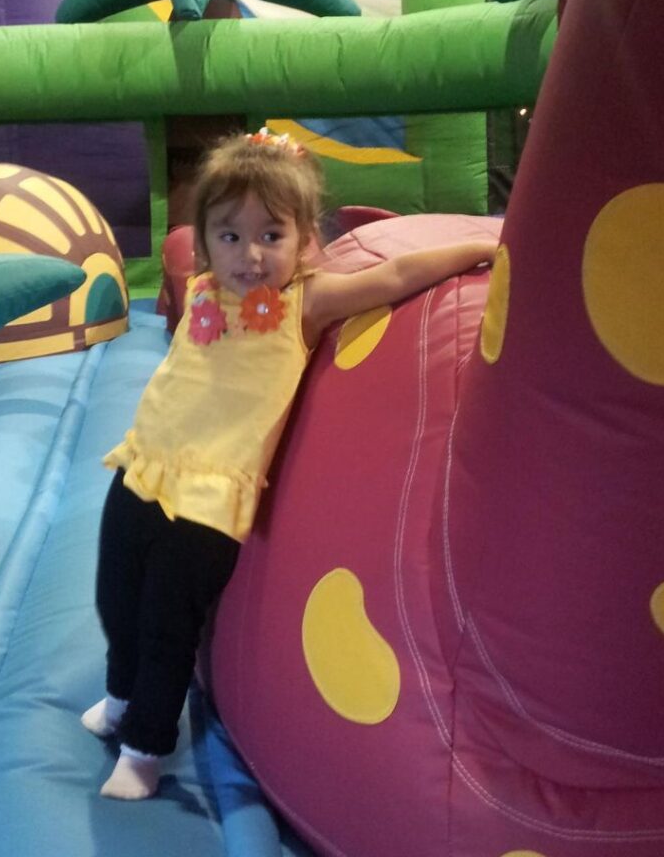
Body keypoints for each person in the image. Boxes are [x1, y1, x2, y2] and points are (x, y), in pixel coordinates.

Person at [83, 129, 498, 800]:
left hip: (210, 503)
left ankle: (145, 748)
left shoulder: (304, 304)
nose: (249, 255)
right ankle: (121, 696)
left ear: (304, 239)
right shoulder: (199, 288)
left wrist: (483, 247)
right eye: (230, 235)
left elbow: (392, 277)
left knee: (166, 621)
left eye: (270, 236)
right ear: (205, 236)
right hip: (143, 467)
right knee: (114, 595)